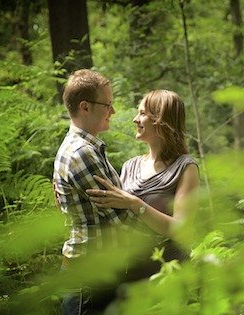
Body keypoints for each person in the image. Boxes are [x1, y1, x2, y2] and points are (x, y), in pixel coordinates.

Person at [86, 89, 200, 280]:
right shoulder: (130, 166)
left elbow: (182, 231)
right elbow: (114, 213)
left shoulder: (186, 167)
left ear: (161, 120)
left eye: (142, 113)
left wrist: (135, 204)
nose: (135, 119)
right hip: (131, 272)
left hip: (170, 273)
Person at [53, 69, 133, 315]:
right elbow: (121, 216)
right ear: (85, 107)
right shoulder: (81, 153)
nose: (113, 111)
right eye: (108, 104)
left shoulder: (88, 148)